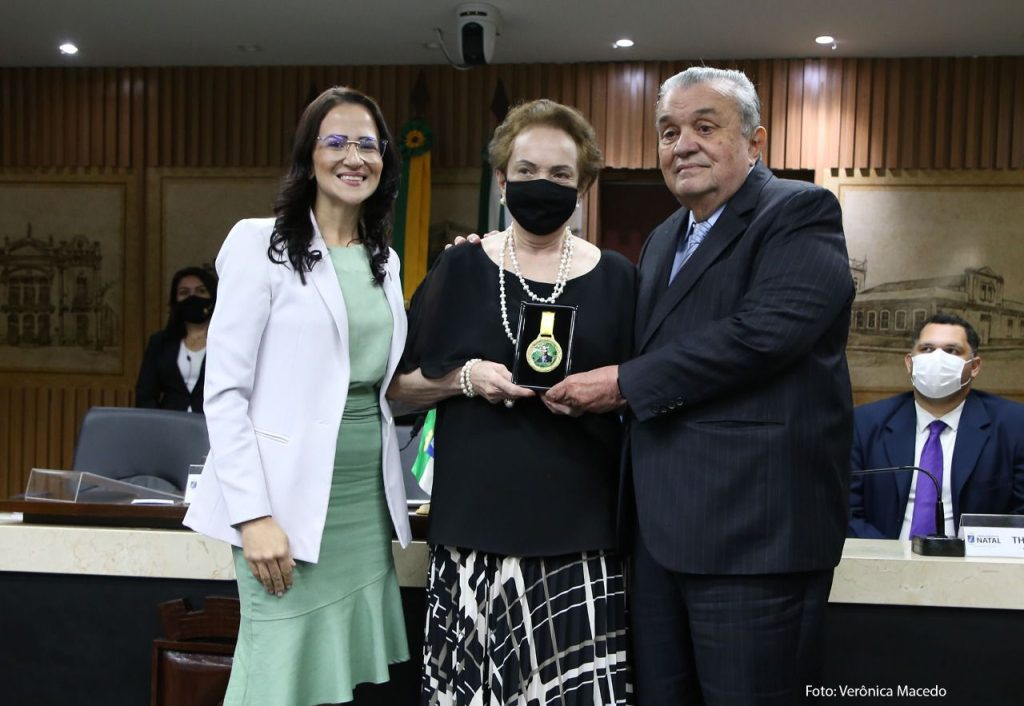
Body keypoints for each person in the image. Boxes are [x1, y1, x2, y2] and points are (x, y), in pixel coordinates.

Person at [545, 67, 856, 705]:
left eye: (704, 127)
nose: (681, 144)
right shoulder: (662, 240)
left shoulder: (799, 211)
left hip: (754, 541)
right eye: (667, 132)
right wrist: (499, 259)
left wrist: (627, 383)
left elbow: (762, 335)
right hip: (658, 541)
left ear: (755, 141)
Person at [388, 99, 635, 705]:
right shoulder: (459, 266)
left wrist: (607, 391)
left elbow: (651, 389)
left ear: (583, 188)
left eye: (558, 175)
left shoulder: (624, 280)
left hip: (581, 539)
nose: (540, 185)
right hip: (473, 536)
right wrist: (463, 379)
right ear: (501, 181)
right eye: (525, 172)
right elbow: (394, 388)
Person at [183, 86, 411, 706]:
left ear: (385, 159)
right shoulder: (259, 243)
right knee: (276, 673)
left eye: (368, 143)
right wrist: (252, 516)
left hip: (361, 500)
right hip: (282, 501)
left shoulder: (382, 260)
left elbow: (378, 381)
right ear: (307, 155)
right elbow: (224, 393)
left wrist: (463, 378)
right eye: (335, 141)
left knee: (335, 677)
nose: (353, 156)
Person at [849, 312, 1024, 539]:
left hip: (976, 566)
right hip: (885, 562)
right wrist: (893, 564)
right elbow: (847, 511)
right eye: (927, 349)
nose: (937, 359)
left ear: (975, 366)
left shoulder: (1013, 424)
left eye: (951, 350)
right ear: (910, 363)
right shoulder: (865, 423)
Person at [135, 265, 217, 413]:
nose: (193, 297)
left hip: (213, 425)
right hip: (169, 426)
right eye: (184, 293)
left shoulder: (226, 342)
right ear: (175, 300)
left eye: (201, 291)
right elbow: (145, 394)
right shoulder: (160, 342)